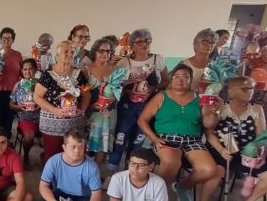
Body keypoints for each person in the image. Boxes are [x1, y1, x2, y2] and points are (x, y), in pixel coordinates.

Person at [137, 64, 221, 201]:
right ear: (171, 78)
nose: (180, 80)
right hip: (167, 138)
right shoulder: (162, 96)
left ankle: (183, 187)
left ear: (191, 79)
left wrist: (214, 111)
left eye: (185, 77)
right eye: (176, 76)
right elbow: (142, 120)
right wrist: (155, 139)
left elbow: (208, 124)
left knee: (209, 169)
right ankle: (156, 197)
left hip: (192, 140)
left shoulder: (199, 98)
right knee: (171, 162)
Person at [206, 76, 267, 201]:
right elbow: (209, 132)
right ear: (231, 91)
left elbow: (262, 136)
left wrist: (260, 151)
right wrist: (221, 150)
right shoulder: (221, 106)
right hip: (223, 150)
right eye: (245, 88)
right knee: (216, 169)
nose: (251, 92)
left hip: (248, 151)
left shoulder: (256, 109)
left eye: (252, 88)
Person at [109, 29, 170, 171]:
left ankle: (130, 169)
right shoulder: (124, 62)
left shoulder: (158, 59)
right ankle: (112, 171)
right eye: (140, 41)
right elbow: (115, 84)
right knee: (120, 136)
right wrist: (129, 90)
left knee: (139, 138)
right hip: (127, 105)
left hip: (148, 105)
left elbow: (166, 80)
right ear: (132, 45)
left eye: (148, 40)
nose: (145, 44)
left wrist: (152, 88)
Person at [33, 130, 103, 201]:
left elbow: (96, 193)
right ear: (64, 147)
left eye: (81, 147)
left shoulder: (91, 166)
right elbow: (43, 186)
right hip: (61, 194)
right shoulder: (53, 161)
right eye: (73, 147)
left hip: (83, 197)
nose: (77, 151)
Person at [34, 40, 90, 162]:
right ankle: (52, 179)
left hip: (74, 123)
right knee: (53, 156)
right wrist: (55, 110)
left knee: (74, 155)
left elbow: (86, 95)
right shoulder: (47, 75)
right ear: (57, 55)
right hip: (52, 123)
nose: (70, 54)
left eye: (72, 52)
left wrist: (82, 110)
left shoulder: (79, 74)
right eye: (66, 52)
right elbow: (37, 97)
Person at [84, 38, 118, 166]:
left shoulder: (115, 69)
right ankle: (83, 170)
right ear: (94, 52)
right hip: (91, 112)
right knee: (87, 141)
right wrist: (91, 105)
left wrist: (111, 100)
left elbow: (118, 90)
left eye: (108, 51)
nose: (105, 54)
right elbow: (81, 92)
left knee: (103, 142)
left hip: (109, 112)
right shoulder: (86, 69)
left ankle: (96, 171)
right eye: (101, 51)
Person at [0, 27, 23, 139]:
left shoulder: (18, 55)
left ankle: (6, 141)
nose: (6, 40)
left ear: (13, 40)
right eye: (4, 38)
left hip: (12, 92)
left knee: (9, 118)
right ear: (0, 40)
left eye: (9, 38)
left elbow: (21, 72)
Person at [10, 58, 40, 169]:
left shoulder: (40, 85)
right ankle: (26, 155)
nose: (27, 72)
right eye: (25, 69)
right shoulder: (18, 85)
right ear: (22, 71)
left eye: (30, 69)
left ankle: (46, 156)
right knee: (29, 137)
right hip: (26, 118)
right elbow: (11, 105)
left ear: (35, 70)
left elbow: (47, 102)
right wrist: (19, 107)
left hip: (42, 118)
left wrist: (39, 106)